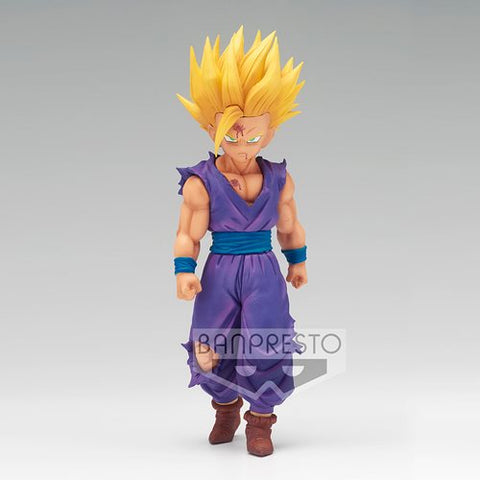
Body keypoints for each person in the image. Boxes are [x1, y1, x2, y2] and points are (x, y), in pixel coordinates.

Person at [173, 26, 308, 457]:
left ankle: (260, 420)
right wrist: (183, 271)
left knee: (266, 341)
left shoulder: (279, 178)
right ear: (211, 127)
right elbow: (188, 232)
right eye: (231, 135)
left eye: (252, 135)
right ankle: (226, 408)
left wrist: (298, 261)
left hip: (264, 269)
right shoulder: (201, 182)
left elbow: (289, 223)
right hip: (219, 269)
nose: (242, 144)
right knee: (209, 345)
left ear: (270, 131)